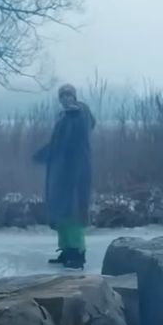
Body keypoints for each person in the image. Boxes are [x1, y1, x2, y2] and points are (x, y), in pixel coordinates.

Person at [33, 83, 95, 269]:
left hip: (76, 171)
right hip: (61, 172)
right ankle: (67, 250)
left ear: (74, 97)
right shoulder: (64, 117)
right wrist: (44, 154)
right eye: (63, 96)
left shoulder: (80, 113)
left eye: (69, 95)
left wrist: (76, 112)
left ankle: (78, 253)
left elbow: (83, 125)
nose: (66, 99)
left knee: (73, 212)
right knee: (61, 211)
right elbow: (58, 144)